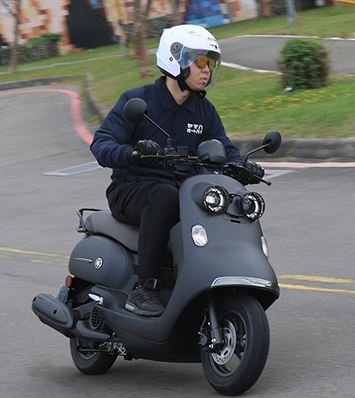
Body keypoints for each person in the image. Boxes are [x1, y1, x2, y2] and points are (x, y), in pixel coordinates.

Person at [90, 24, 263, 317]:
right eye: (200, 62)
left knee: (220, 204)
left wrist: (243, 167)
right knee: (165, 195)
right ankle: (144, 288)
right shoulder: (138, 101)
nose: (206, 70)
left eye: (210, 63)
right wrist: (133, 153)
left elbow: (224, 149)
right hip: (131, 189)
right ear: (176, 60)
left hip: (182, 192)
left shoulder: (203, 110)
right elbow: (101, 143)